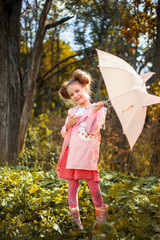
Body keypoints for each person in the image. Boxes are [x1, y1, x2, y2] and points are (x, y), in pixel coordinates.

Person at [57, 69, 109, 230]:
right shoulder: (72, 112)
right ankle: (75, 221)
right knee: (72, 188)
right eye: (72, 94)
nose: (75, 96)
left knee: (95, 187)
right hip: (72, 155)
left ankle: (101, 220)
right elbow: (64, 133)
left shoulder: (99, 108)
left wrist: (94, 112)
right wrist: (69, 124)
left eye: (78, 91)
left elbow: (92, 130)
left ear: (85, 89)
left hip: (87, 155)